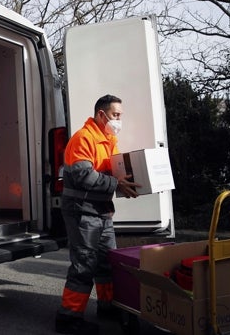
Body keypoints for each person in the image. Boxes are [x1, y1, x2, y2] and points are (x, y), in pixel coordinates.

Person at [55, 94, 139, 334]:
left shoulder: (109, 139)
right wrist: (116, 184)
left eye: (120, 115)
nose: (119, 120)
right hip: (82, 211)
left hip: (101, 211)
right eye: (116, 115)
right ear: (101, 114)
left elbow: (113, 171)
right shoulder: (83, 138)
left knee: (107, 263)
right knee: (84, 266)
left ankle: (107, 306)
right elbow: (83, 175)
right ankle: (68, 318)